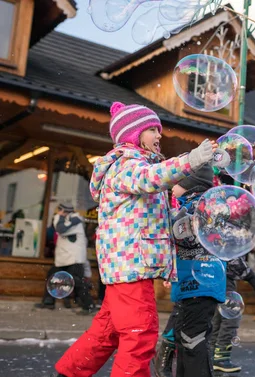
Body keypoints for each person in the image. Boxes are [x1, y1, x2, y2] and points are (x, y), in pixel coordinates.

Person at [51, 101, 217, 377]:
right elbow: (151, 178)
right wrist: (190, 161)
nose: (159, 135)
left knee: (106, 333)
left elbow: (155, 215)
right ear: (133, 134)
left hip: (128, 266)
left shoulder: (136, 167)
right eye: (152, 129)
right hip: (130, 267)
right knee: (140, 335)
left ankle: (68, 373)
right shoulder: (125, 164)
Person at [154, 165, 227, 377]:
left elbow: (188, 238)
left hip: (199, 284)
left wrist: (171, 222)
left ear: (188, 184)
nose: (171, 185)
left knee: (192, 341)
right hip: (195, 283)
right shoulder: (197, 206)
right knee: (186, 340)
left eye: (176, 181)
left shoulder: (200, 207)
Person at [36, 203, 94, 314]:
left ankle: (89, 305)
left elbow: (61, 229)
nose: (58, 213)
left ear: (64, 211)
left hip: (75, 258)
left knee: (77, 281)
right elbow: (59, 226)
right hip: (64, 258)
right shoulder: (65, 219)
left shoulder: (76, 221)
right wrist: (62, 216)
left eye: (60, 211)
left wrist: (62, 215)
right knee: (52, 276)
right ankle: (48, 301)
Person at [210, 255, 255, 374]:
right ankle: (221, 358)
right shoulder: (228, 237)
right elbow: (231, 255)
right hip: (224, 277)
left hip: (214, 275)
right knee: (231, 317)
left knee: (217, 318)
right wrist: (251, 276)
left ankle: (212, 355)